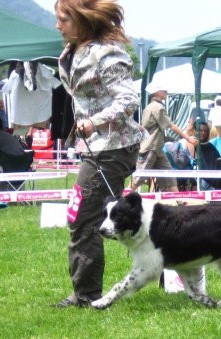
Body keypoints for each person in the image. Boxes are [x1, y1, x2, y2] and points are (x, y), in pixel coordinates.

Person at [53, 0, 143, 308]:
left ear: (82, 20)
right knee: (87, 216)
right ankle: (85, 291)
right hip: (96, 148)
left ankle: (86, 295)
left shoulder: (108, 53)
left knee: (83, 218)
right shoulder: (72, 52)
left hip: (113, 148)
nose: (58, 26)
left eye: (63, 19)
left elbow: (129, 99)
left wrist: (94, 122)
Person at [130, 81, 197, 192]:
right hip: (151, 147)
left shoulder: (150, 106)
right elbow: (171, 126)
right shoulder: (157, 108)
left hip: (157, 149)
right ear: (156, 93)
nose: (166, 92)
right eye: (163, 90)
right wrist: (188, 138)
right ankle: (121, 200)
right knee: (138, 179)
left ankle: (178, 202)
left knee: (169, 178)